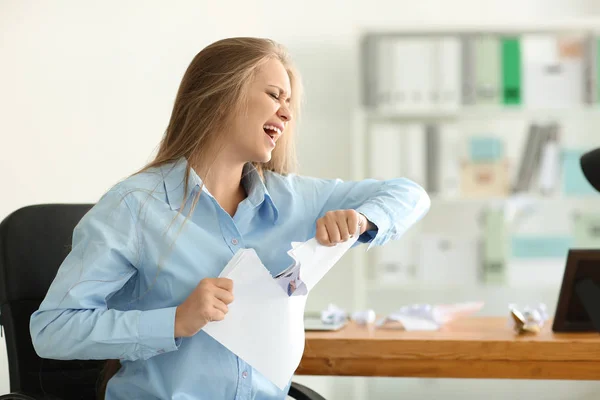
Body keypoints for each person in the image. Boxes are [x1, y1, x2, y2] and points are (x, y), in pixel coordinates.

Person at [29, 37, 431, 400]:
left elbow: (410, 194)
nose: (287, 114)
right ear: (221, 96)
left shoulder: (292, 197)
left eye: (290, 102)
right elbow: (53, 330)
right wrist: (175, 321)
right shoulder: (135, 206)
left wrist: (363, 220)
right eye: (275, 95)